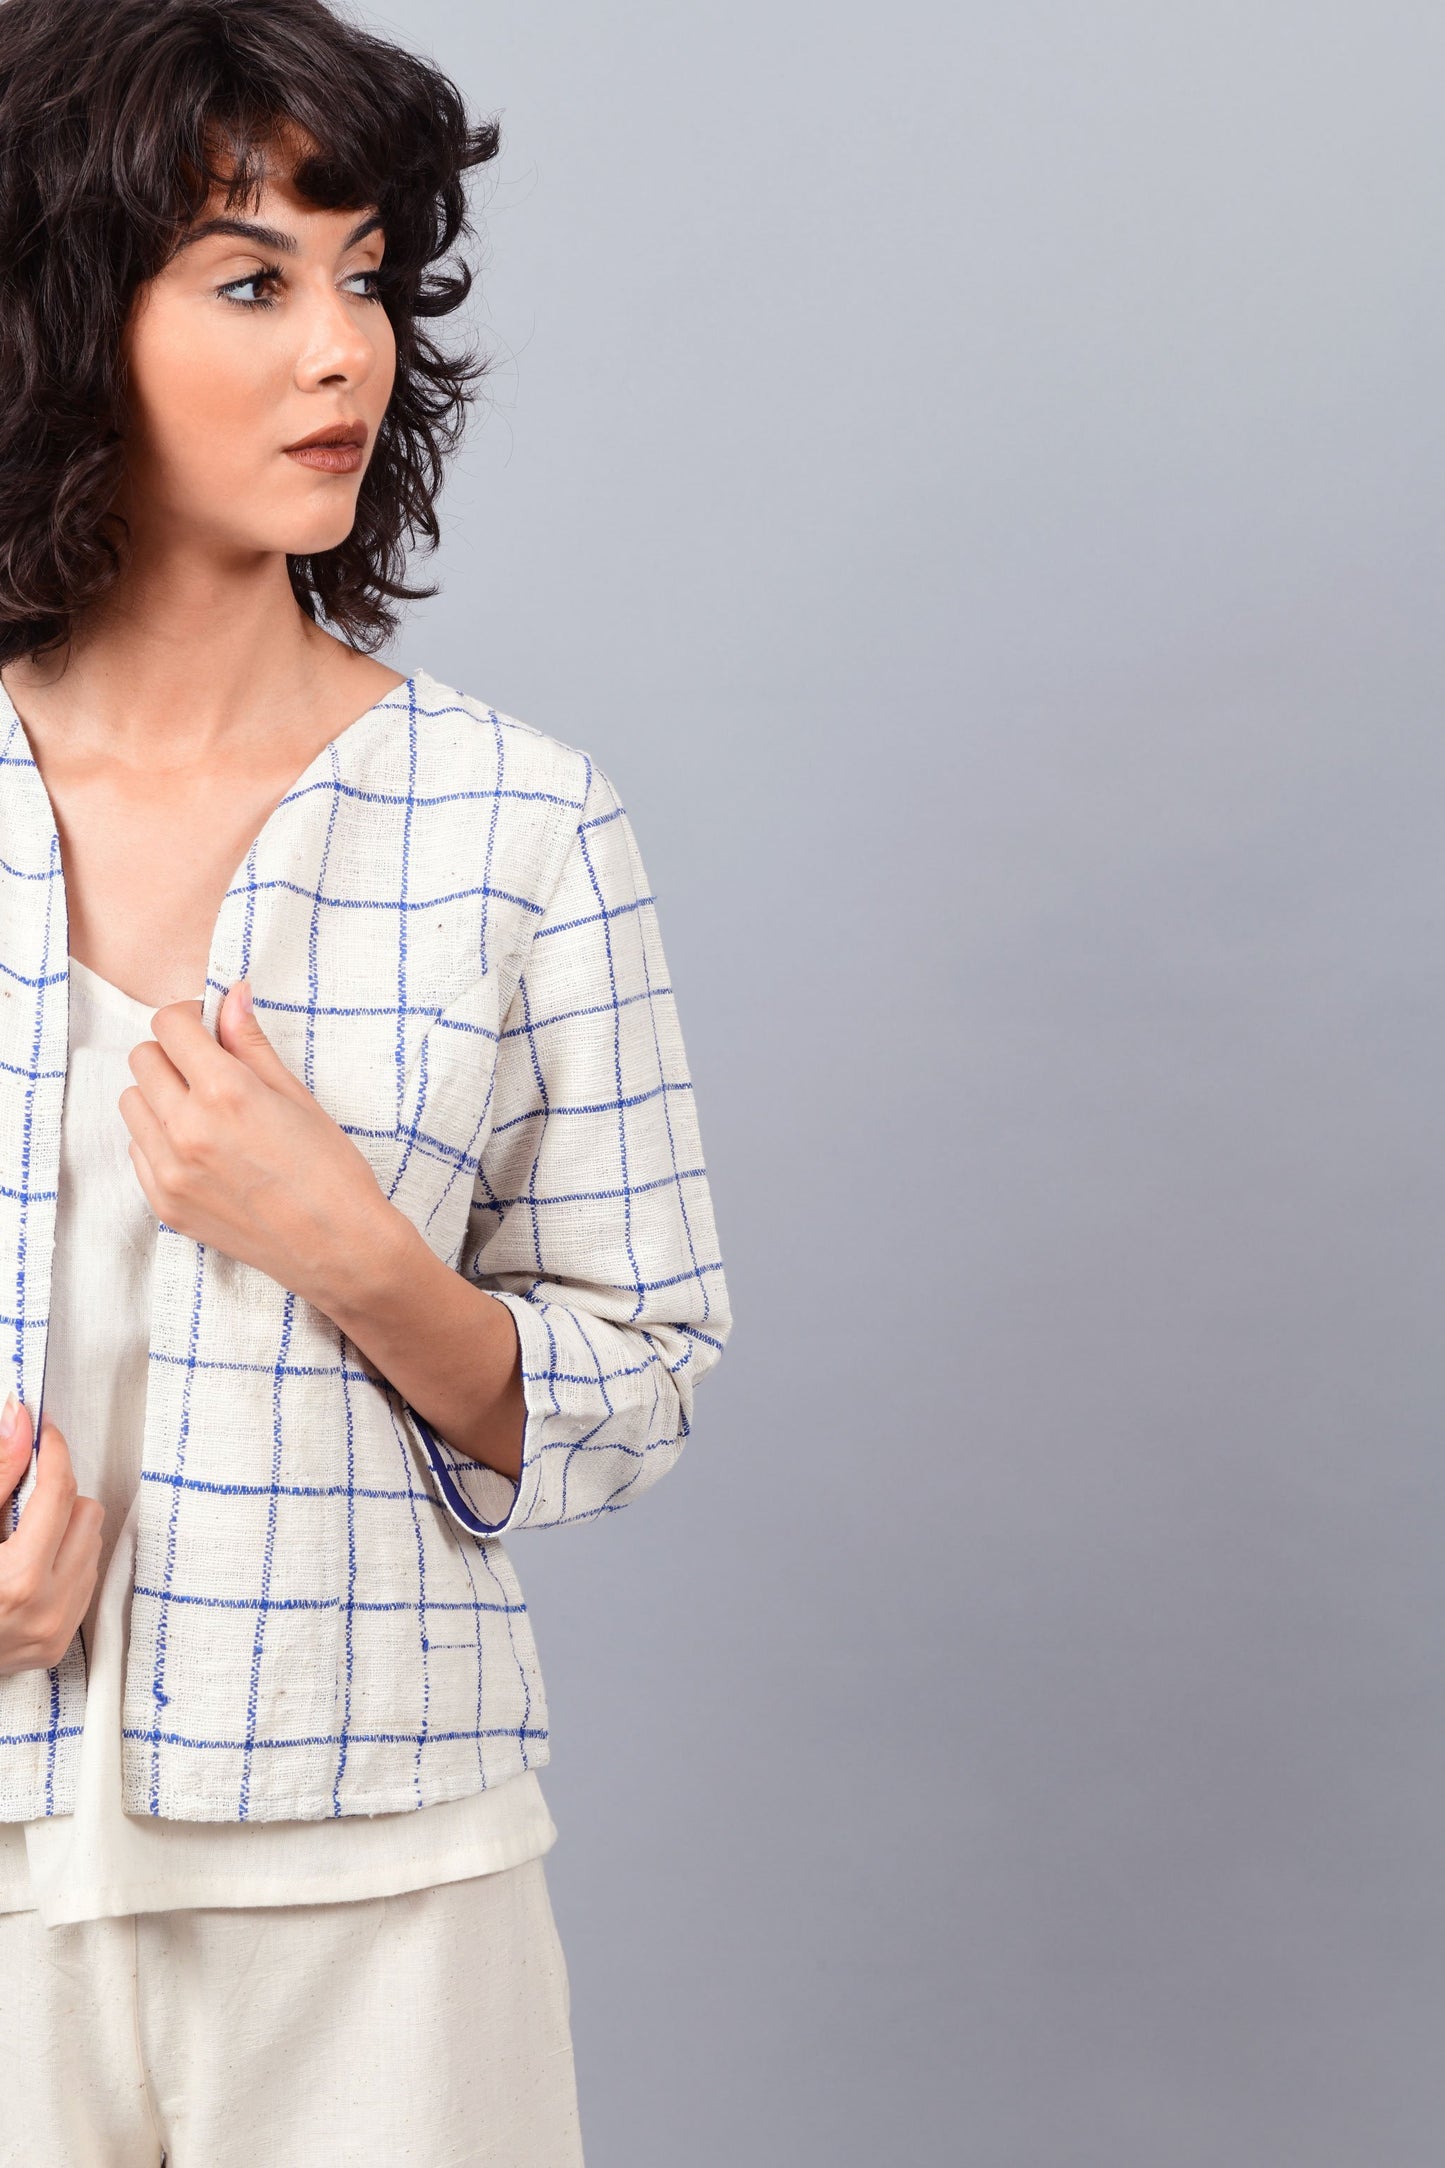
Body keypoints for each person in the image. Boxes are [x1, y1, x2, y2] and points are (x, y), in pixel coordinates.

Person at [0, 1, 732, 2160]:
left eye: (370, 273)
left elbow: (646, 1370)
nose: (346, 349)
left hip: (385, 1894)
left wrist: (354, 1249)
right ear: (62, 311)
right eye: (251, 277)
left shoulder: (522, 827)